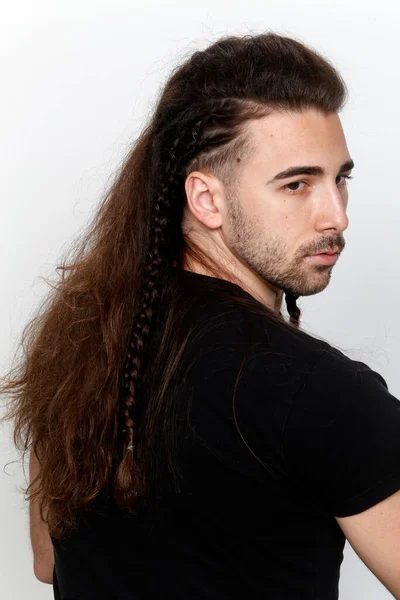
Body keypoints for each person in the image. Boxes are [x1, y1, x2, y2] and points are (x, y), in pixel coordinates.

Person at [1, 31, 400, 600]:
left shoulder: (83, 336)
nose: (335, 215)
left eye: (341, 178)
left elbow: (48, 560)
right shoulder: (323, 393)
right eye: (297, 184)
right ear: (206, 199)